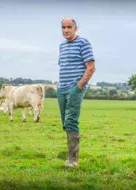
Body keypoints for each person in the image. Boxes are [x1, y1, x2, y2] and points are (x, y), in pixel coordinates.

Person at [57, 18, 96, 167]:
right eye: (63, 27)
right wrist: (59, 86)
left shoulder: (83, 43)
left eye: (69, 27)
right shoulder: (61, 46)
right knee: (65, 123)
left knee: (71, 121)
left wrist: (78, 86)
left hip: (74, 88)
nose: (66, 30)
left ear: (75, 28)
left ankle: (73, 160)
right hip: (61, 89)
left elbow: (91, 67)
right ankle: (69, 156)